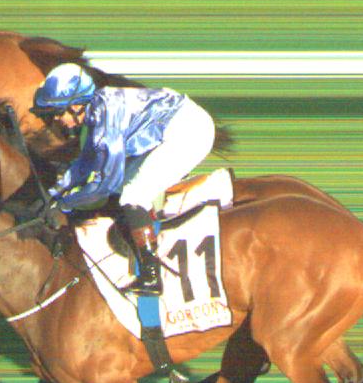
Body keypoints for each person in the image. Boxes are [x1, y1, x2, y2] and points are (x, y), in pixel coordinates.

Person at [33, 64, 223, 295]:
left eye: (58, 112)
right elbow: (85, 164)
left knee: (132, 195)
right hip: (176, 123)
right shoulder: (96, 112)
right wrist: (54, 193)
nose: (57, 120)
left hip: (189, 131)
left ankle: (152, 276)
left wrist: (66, 203)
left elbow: (105, 184)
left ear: (75, 106)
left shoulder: (106, 117)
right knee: (125, 189)